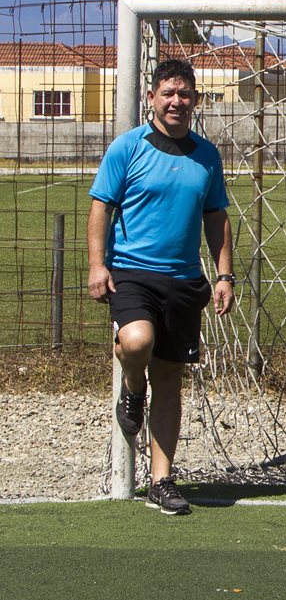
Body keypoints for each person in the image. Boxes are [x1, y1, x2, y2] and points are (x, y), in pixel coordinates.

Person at [87, 59, 235, 515]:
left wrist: (224, 275)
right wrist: (97, 265)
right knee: (137, 342)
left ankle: (161, 480)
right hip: (132, 273)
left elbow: (216, 217)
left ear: (195, 100)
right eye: (168, 93)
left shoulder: (207, 155)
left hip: (184, 280)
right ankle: (133, 387)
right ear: (151, 98)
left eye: (185, 93)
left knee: (169, 380)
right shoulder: (127, 147)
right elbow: (100, 207)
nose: (176, 101)